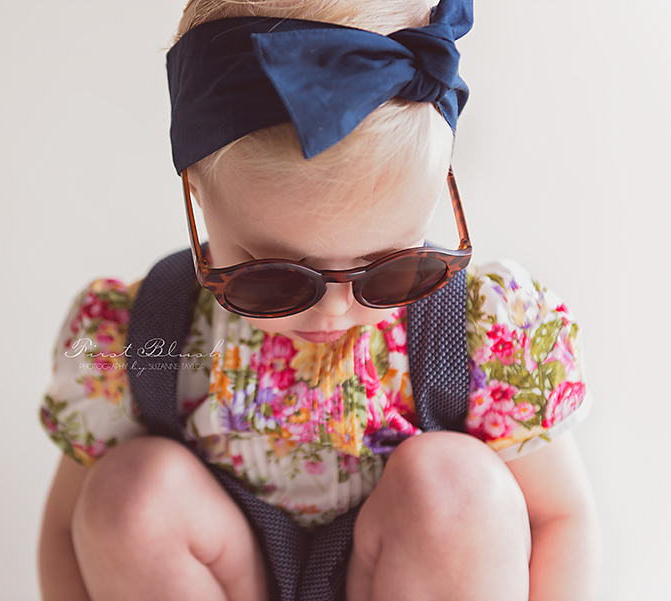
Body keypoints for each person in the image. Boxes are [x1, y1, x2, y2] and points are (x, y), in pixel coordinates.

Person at [36, 0, 601, 599]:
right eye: (274, 279)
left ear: (441, 191)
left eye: (388, 270)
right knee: (128, 492)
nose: (333, 312)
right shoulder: (148, 339)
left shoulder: (478, 333)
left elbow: (558, 519)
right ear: (197, 197)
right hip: (219, 576)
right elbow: (65, 531)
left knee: (458, 487)